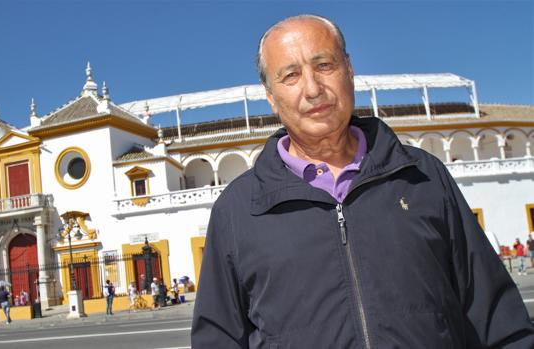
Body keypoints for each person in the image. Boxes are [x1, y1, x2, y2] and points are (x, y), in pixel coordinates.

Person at [192, 14, 534, 348]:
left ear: (349, 71)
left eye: (324, 66)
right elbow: (217, 337)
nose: (312, 89)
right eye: (291, 75)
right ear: (270, 96)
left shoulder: (423, 176)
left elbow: (495, 315)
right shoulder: (238, 210)